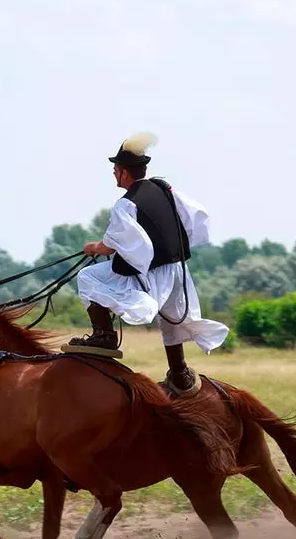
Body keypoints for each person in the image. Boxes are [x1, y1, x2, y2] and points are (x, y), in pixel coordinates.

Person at [61, 131, 229, 396]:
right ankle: (180, 373)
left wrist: (94, 247)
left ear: (125, 173)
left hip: (153, 271)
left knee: (88, 277)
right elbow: (193, 216)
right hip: (177, 269)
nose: (114, 174)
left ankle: (104, 336)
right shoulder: (163, 188)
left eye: (115, 170)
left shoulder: (125, 204)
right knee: (171, 320)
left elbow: (112, 245)